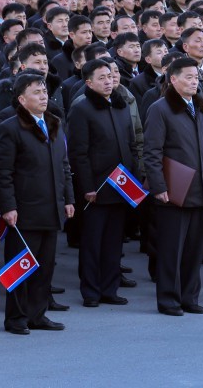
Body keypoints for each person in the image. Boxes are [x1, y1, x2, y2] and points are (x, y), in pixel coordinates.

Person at [0, 72, 76, 334]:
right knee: (20, 266)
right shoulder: (10, 127)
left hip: (51, 207)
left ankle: (37, 315)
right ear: (21, 99)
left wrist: (69, 199)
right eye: (36, 92)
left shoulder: (54, 123)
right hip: (24, 209)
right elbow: (2, 172)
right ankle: (15, 318)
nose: (43, 97)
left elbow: (64, 165)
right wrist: (8, 206)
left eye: (44, 92)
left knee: (45, 266)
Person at [143, 57, 203, 316]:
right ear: (172, 79)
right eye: (188, 77)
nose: (194, 81)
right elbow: (152, 151)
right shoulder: (160, 109)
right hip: (173, 188)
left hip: (201, 188)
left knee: (194, 249)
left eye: (196, 77)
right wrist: (158, 186)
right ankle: (169, 299)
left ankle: (189, 297)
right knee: (171, 249)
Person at [68, 59, 137, 308]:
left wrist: (134, 178)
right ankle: (91, 291)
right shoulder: (82, 109)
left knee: (113, 241)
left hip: (121, 185)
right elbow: (78, 153)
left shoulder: (121, 105)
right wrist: (87, 187)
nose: (109, 81)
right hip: (96, 187)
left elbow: (131, 144)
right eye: (102, 78)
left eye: (110, 76)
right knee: (92, 242)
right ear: (89, 83)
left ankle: (110, 288)